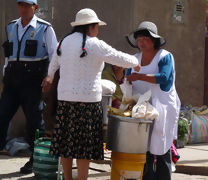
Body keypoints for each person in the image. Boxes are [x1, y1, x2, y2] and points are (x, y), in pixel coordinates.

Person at [41, 8, 140, 180]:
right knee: (83, 148)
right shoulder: (95, 44)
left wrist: (49, 77)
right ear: (91, 27)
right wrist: (136, 61)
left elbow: (54, 63)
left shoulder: (64, 42)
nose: (97, 30)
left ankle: (68, 178)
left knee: (66, 144)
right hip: (88, 104)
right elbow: (117, 56)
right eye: (97, 26)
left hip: (65, 101)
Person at [0, 0, 58, 174]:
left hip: (33, 81)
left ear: (35, 8)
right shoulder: (11, 26)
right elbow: (9, 55)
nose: (24, 9)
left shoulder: (45, 28)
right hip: (12, 80)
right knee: (2, 116)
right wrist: (5, 75)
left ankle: (35, 158)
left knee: (34, 121)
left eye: (27, 6)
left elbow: (54, 53)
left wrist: (50, 76)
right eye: (21, 5)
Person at [126, 21, 181, 180]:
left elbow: (164, 79)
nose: (142, 42)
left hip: (162, 109)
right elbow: (127, 80)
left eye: (146, 38)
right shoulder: (134, 59)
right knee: (145, 151)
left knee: (162, 150)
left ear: (155, 40)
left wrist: (139, 76)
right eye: (139, 38)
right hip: (141, 111)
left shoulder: (165, 57)